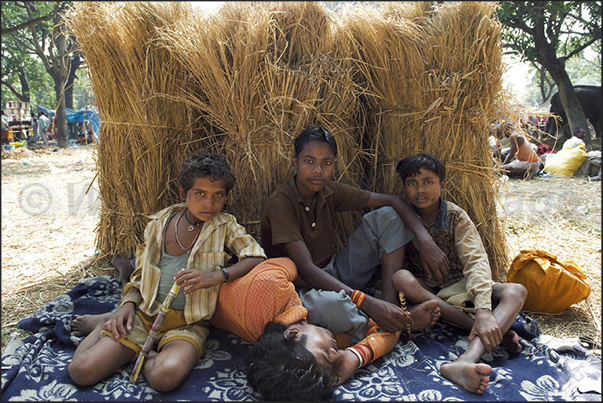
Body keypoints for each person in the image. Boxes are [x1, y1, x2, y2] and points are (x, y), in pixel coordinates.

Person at [67, 151, 267, 392]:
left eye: (218, 195)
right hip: (145, 314)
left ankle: (142, 351)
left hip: (188, 324)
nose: (209, 203)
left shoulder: (225, 226)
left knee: (165, 377)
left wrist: (214, 277)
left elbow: (256, 256)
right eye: (200, 194)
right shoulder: (159, 224)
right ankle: (107, 323)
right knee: (81, 371)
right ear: (183, 194)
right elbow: (140, 274)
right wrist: (127, 306)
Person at [261, 125, 450, 341]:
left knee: (388, 216)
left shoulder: (329, 190)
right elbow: (307, 270)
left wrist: (425, 240)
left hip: (334, 271)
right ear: (294, 162)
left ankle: (389, 305)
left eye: (326, 162)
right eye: (308, 161)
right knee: (334, 308)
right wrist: (366, 302)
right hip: (299, 288)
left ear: (335, 165)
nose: (318, 170)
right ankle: (384, 321)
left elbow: (394, 201)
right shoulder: (280, 204)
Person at [391, 153, 528, 395]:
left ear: (442, 185)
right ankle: (490, 333)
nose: (420, 190)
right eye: (412, 183)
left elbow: (475, 261)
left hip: (462, 289)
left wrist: (485, 310)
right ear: (405, 188)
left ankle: (466, 359)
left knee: (516, 290)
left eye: (428, 182)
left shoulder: (455, 216)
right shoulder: (402, 217)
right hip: (427, 294)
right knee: (401, 278)